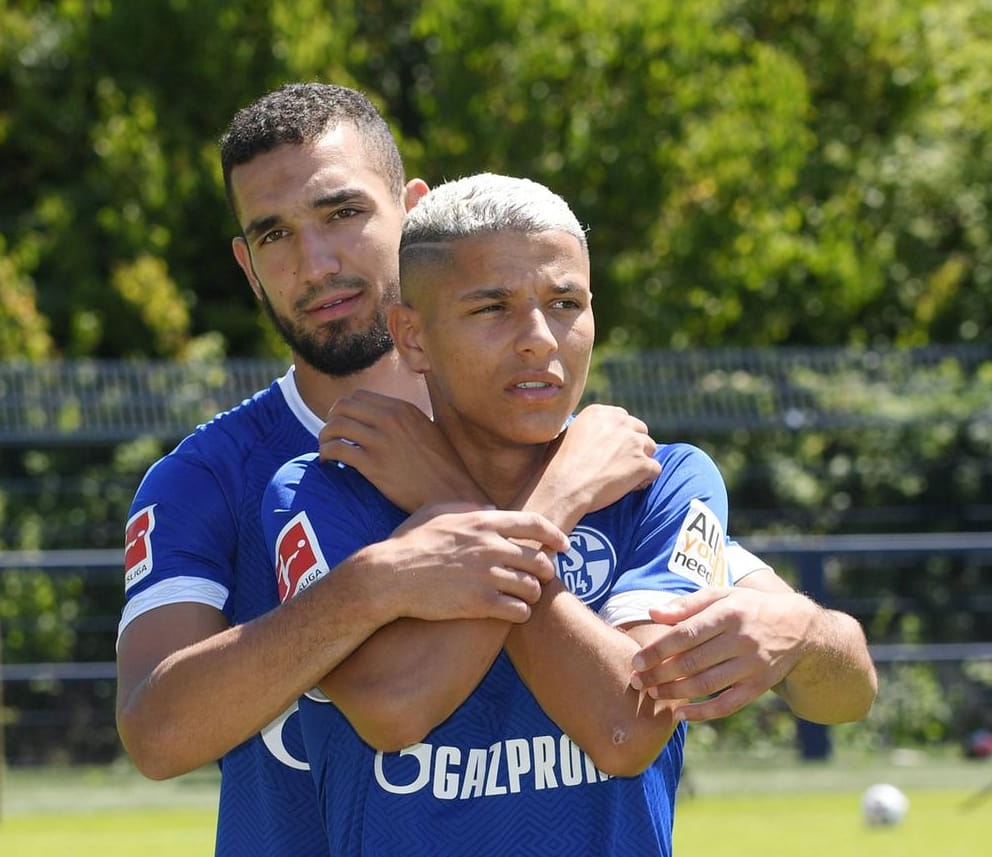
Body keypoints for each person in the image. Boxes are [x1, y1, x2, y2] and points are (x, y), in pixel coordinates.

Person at [114, 84, 662, 856]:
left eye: (342, 213)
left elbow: (769, 635)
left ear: (412, 208)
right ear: (245, 263)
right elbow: (157, 733)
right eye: (273, 235)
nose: (316, 263)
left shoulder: (560, 442)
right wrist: (370, 588)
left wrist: (807, 628)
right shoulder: (205, 477)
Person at [263, 173, 735, 854]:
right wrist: (555, 502)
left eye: (565, 301)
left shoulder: (660, 480)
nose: (539, 338)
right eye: (493, 307)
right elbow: (392, 706)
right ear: (413, 337)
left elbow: (625, 730)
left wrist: (450, 503)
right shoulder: (324, 488)